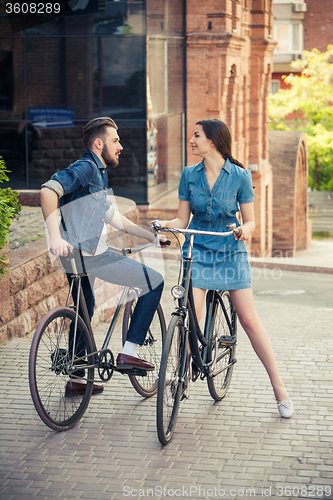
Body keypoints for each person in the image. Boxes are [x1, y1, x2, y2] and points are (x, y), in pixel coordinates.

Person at [160, 119, 293, 418]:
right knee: (191, 317)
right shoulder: (188, 175)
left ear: (213, 141)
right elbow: (182, 220)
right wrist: (162, 227)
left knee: (247, 319)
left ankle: (278, 385)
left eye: (196, 135)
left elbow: (251, 220)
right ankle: (181, 378)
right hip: (198, 248)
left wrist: (245, 230)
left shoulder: (241, 176)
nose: (191, 140)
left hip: (230, 249)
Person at [40, 117, 165, 394]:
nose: (120, 146)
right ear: (99, 143)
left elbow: (112, 216)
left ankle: (77, 376)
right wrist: (55, 237)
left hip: (76, 256)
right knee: (154, 281)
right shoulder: (86, 167)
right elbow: (48, 191)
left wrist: (150, 236)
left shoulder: (99, 171)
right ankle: (130, 350)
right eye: (115, 140)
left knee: (86, 306)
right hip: (88, 255)